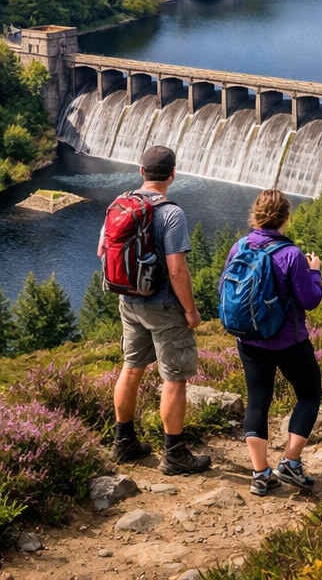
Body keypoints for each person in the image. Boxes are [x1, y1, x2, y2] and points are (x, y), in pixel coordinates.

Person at [98, 146, 211, 474]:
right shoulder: (171, 213)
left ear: (141, 171)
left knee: (131, 367)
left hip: (128, 301)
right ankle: (174, 454)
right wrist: (190, 311)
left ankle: (124, 443)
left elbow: (101, 251)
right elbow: (177, 270)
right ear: (172, 173)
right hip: (163, 305)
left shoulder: (120, 204)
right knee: (175, 378)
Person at [220, 189, 322, 495]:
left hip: (249, 340)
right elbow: (310, 299)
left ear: (255, 215)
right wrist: (314, 272)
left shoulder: (239, 245)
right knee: (309, 395)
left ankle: (260, 473)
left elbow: (225, 287)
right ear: (285, 218)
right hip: (289, 341)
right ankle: (290, 462)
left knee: (258, 401)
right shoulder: (291, 255)